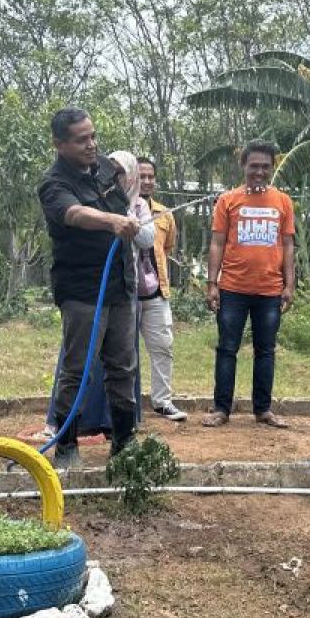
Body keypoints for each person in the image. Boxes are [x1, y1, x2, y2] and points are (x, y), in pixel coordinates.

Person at [39, 108, 140, 468]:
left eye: (93, 136)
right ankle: (66, 445)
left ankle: (124, 444)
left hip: (120, 285)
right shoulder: (53, 183)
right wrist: (112, 221)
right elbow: (74, 214)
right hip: (82, 290)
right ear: (60, 144)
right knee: (77, 367)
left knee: (123, 365)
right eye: (82, 140)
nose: (91, 144)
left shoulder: (106, 168)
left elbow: (125, 204)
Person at [202, 140, 296, 429]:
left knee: (265, 350)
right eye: (253, 166)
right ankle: (221, 409)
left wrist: (289, 285)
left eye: (265, 167)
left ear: (272, 168)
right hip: (232, 288)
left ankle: (263, 410)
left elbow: (288, 244)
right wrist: (212, 284)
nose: (259, 171)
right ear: (243, 166)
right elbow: (217, 243)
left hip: (269, 290)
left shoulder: (283, 201)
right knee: (227, 348)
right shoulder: (228, 200)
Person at [137, 157, 186, 421]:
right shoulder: (120, 209)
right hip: (125, 294)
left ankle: (162, 401)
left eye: (150, 176)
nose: (146, 181)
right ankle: (127, 405)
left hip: (157, 293)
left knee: (163, 347)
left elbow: (166, 248)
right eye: (141, 176)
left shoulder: (165, 214)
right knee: (123, 353)